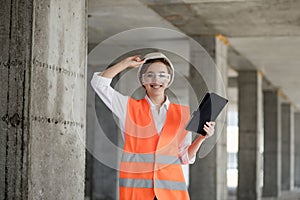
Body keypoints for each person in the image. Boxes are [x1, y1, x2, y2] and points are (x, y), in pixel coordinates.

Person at [91, 52, 215, 200]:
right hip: (137, 189)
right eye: (150, 75)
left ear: (169, 80)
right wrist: (125, 64)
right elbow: (98, 83)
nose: (156, 80)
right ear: (142, 80)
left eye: (162, 75)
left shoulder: (183, 114)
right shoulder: (128, 108)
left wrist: (201, 138)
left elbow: (184, 157)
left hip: (171, 191)